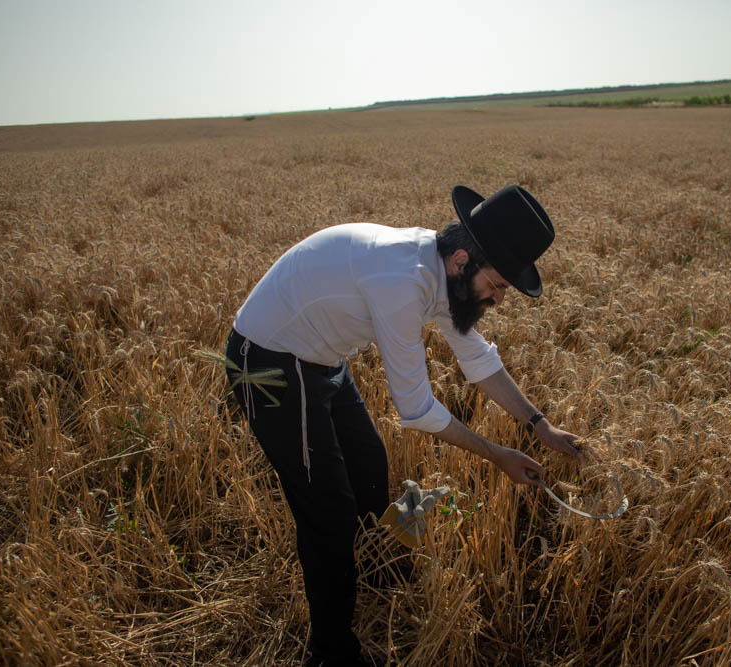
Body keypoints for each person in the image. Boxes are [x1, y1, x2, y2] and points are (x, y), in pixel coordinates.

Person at [224, 184, 582, 666]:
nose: (498, 299)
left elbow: (477, 358)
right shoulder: (403, 280)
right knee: (327, 512)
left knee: (370, 466)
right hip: (271, 363)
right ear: (463, 260)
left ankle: (373, 571)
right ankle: (332, 651)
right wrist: (498, 455)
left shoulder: (442, 271)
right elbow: (416, 407)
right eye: (497, 285)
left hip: (322, 358)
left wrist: (539, 425)